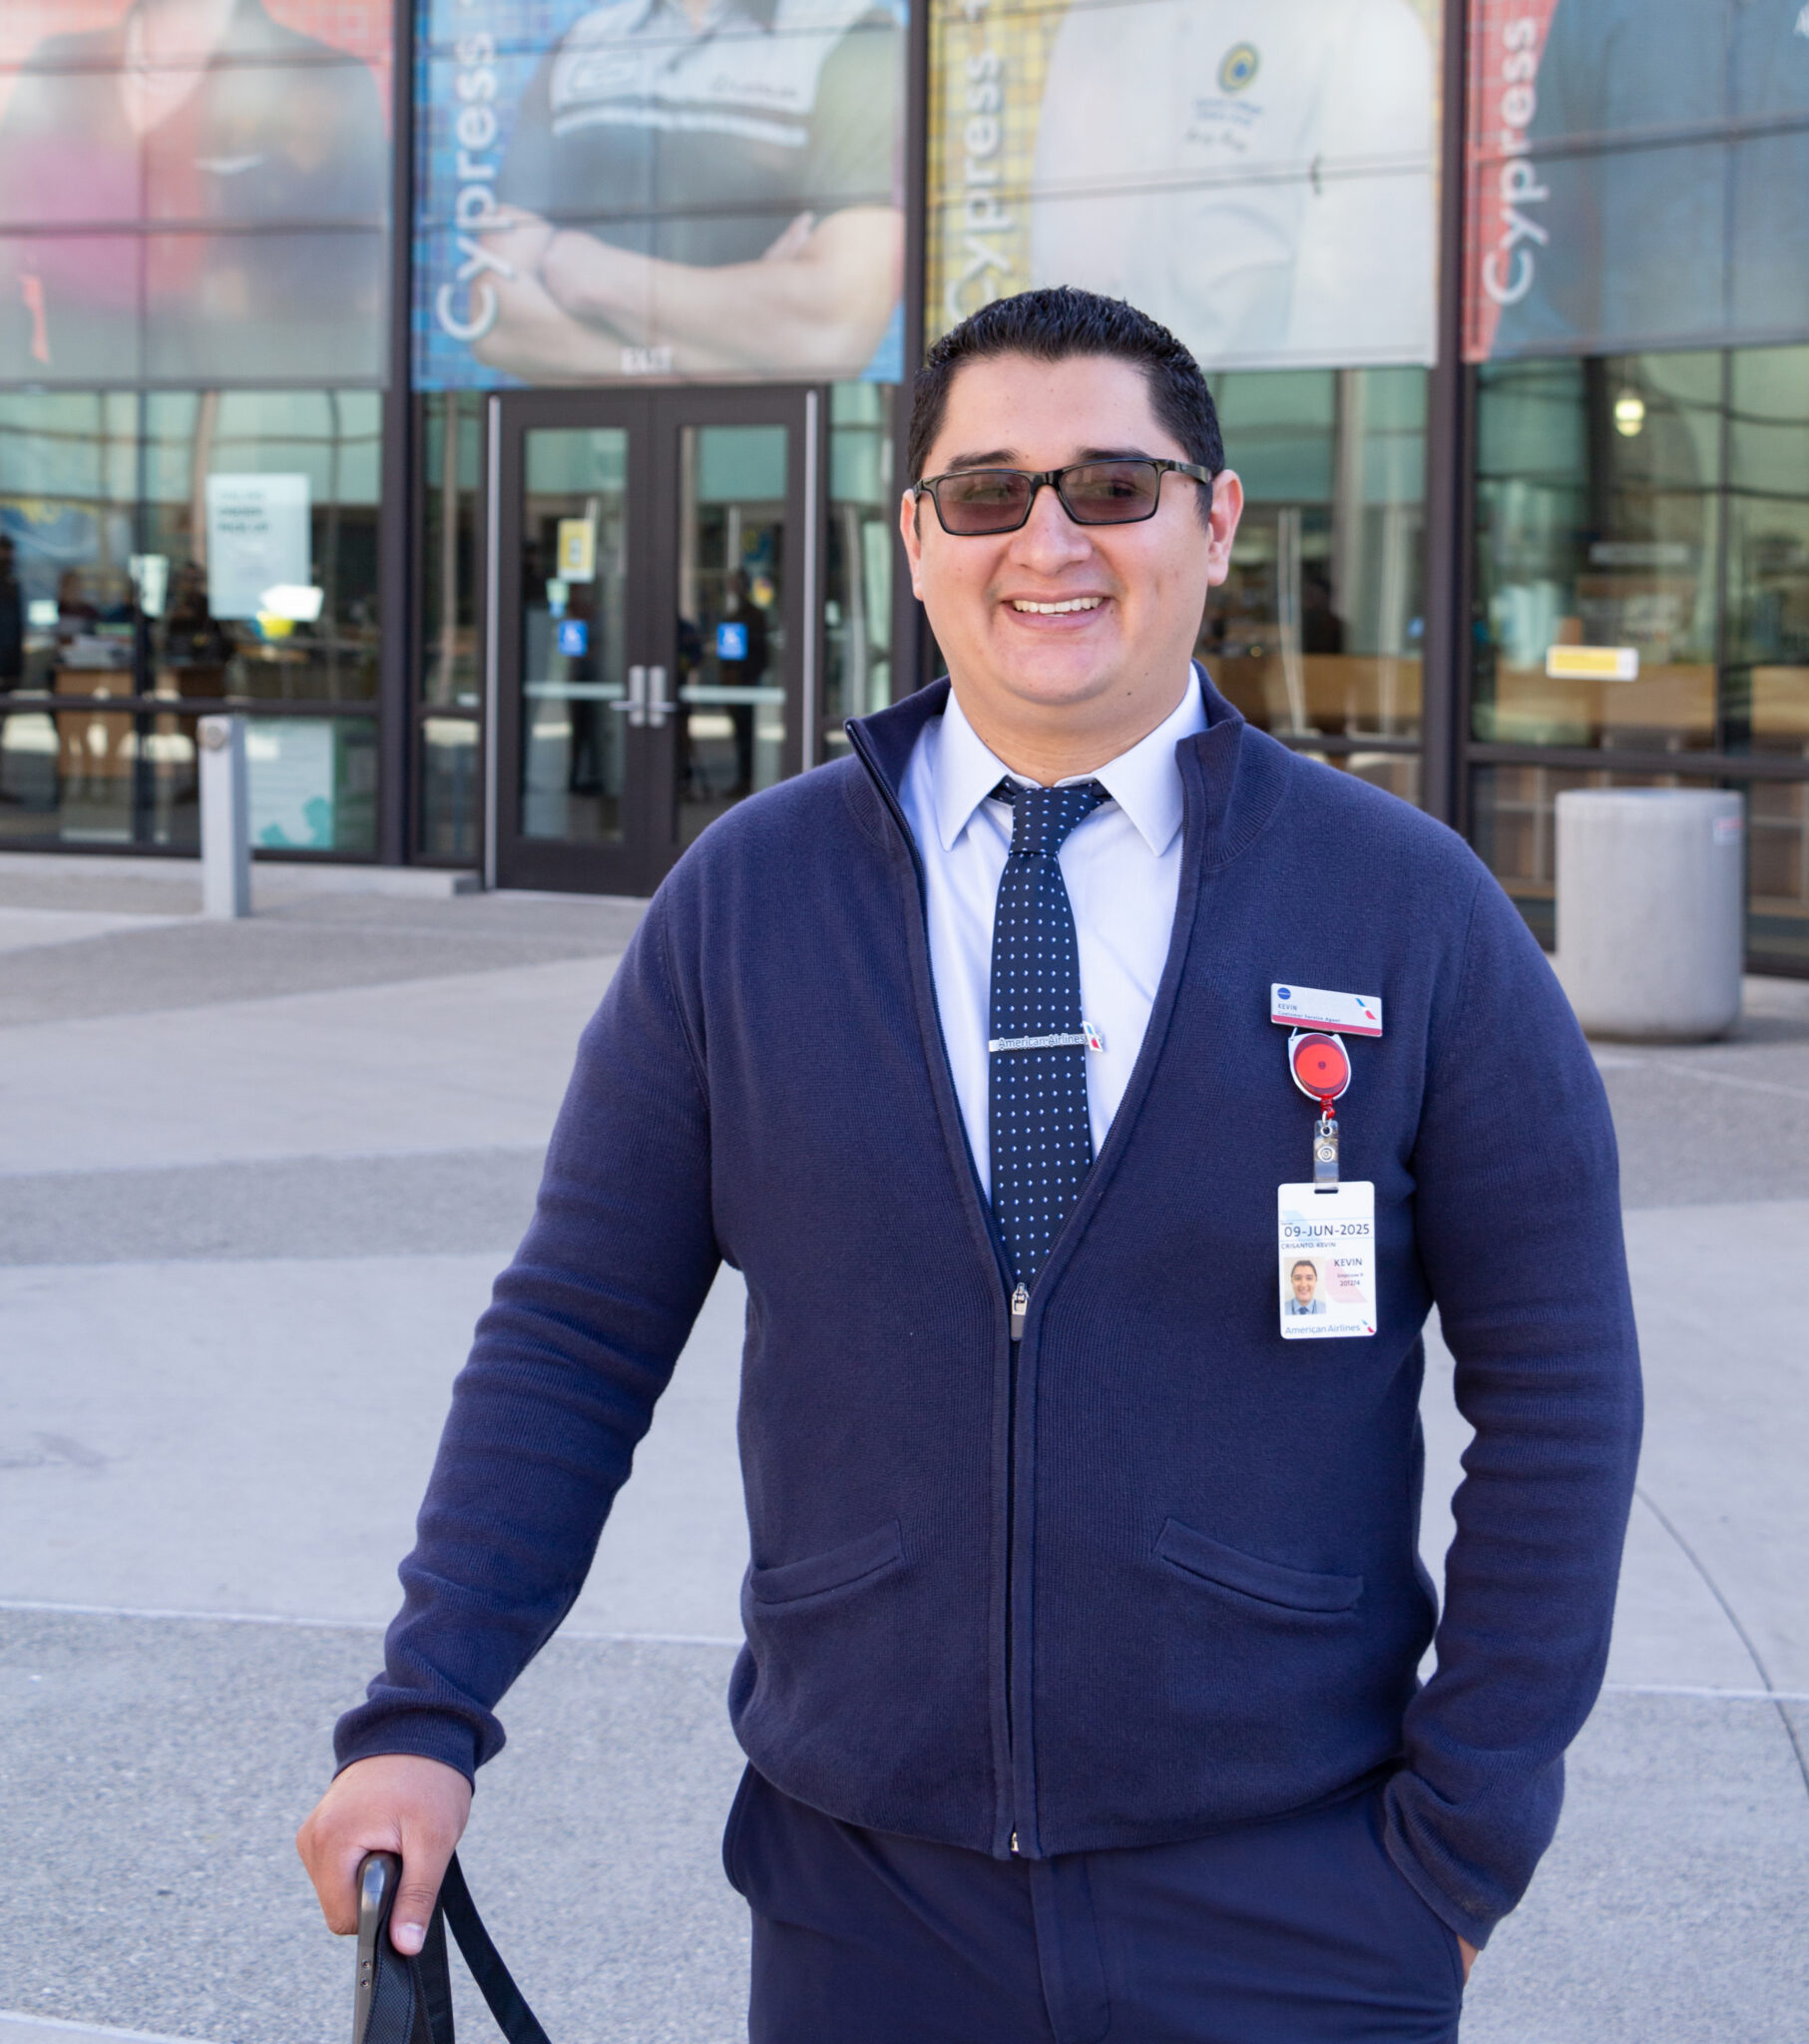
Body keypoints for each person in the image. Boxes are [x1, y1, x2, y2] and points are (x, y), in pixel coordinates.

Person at [298, 287, 1642, 2042]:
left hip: (1292, 1897)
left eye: (1112, 485)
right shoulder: (748, 901)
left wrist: (1453, 1851)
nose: (1050, 542)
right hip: (865, 1898)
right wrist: (425, 1711)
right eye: (988, 492)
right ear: (916, 537)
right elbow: (573, 1333)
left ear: (1215, 522)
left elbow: (1558, 1384)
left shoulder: (1404, 904)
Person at [473, 0, 903, 382]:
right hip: (588, 441)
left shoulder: (853, 36)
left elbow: (832, 333)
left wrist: (595, 276)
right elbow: (494, 318)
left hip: (780, 444)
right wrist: (691, 368)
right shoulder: (580, 46)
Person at [1028, 0, 1435, 366]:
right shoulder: (1091, 24)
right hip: (1097, 405)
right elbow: (1057, 240)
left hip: (1254, 407)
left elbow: (1361, 303)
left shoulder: (1359, 24)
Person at [0, 0, 386, 383]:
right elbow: (14, 212)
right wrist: (16, 363)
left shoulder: (328, 75)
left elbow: (360, 247)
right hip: (82, 357)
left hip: (259, 373)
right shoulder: (63, 60)